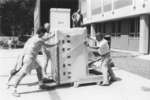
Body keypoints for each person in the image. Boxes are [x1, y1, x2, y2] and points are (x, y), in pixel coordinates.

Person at [8, 27, 58, 96]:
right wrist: (56, 44)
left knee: (39, 69)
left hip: (29, 57)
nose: (44, 35)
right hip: (29, 59)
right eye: (43, 33)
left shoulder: (34, 37)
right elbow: (47, 45)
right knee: (23, 74)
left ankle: (41, 84)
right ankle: (14, 89)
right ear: (41, 33)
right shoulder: (39, 40)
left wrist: (51, 36)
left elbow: (44, 39)